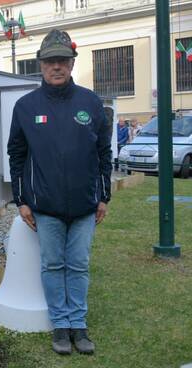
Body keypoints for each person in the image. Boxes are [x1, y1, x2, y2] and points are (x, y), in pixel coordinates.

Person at [7, 29, 112, 355]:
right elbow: (17, 154)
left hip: (84, 206)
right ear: (40, 65)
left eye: (62, 61)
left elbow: (105, 153)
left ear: (71, 63)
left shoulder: (91, 103)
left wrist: (104, 196)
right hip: (46, 206)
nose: (57, 67)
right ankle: (60, 326)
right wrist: (22, 201)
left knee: (78, 265)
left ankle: (79, 326)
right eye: (50, 61)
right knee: (53, 265)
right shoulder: (25, 107)